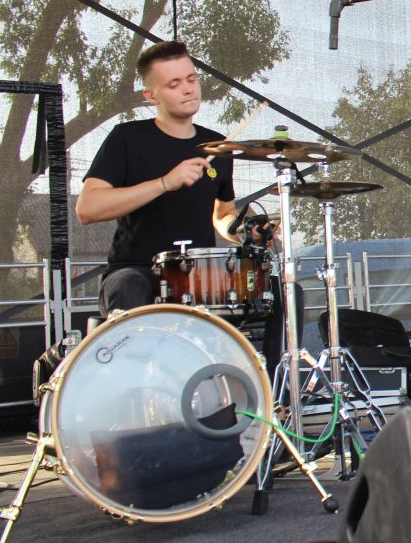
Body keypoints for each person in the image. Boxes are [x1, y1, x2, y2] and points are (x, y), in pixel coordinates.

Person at [76, 42, 278, 335]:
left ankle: (266, 366)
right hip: (138, 269)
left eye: (191, 79)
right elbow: (87, 209)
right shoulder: (127, 138)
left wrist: (246, 232)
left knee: (278, 292)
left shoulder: (217, 146)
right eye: (174, 84)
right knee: (129, 285)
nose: (188, 89)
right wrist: (164, 183)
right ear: (151, 96)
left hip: (203, 276)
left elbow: (222, 216)